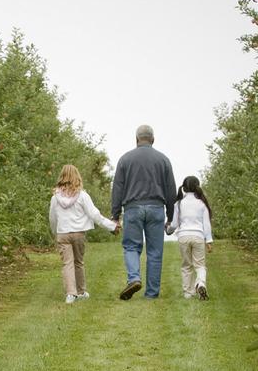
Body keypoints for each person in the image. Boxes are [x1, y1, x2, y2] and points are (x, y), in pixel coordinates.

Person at [110, 124, 177, 300]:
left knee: (131, 246)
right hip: (156, 208)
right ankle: (151, 293)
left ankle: (134, 278)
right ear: (153, 140)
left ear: (136, 139)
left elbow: (117, 188)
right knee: (155, 251)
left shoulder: (125, 159)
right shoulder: (163, 160)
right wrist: (171, 217)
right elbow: (171, 190)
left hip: (132, 208)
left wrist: (115, 215)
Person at [48, 164, 118, 304]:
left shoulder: (55, 197)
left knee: (67, 263)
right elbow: (94, 215)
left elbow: (52, 217)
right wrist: (111, 226)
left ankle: (70, 294)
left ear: (61, 177)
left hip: (63, 233)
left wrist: (55, 231)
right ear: (77, 177)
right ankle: (81, 292)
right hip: (78, 234)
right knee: (78, 262)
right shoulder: (82, 196)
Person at [167, 175, 214, 300]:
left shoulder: (179, 203)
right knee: (200, 265)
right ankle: (201, 283)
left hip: (183, 236)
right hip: (198, 236)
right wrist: (209, 240)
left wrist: (168, 229)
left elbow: (175, 224)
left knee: (186, 265)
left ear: (184, 188)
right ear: (197, 186)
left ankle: (188, 293)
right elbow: (206, 223)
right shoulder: (202, 204)